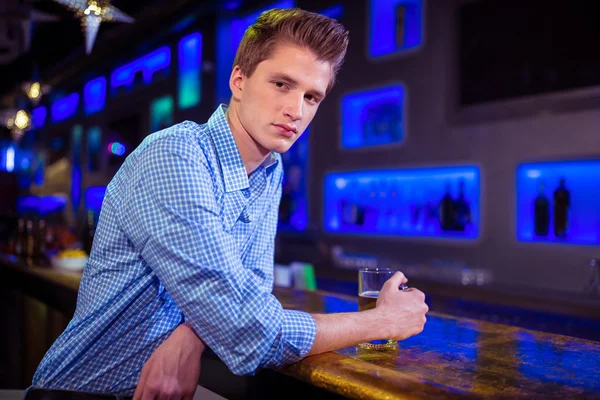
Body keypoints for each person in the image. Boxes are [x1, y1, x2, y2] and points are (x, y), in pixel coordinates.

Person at [31, 7, 428, 399]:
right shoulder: (175, 156)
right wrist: (382, 321)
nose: (296, 110)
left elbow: (252, 287)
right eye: (281, 84)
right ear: (239, 79)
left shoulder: (269, 170)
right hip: (80, 392)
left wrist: (191, 333)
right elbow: (249, 328)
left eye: (312, 96)